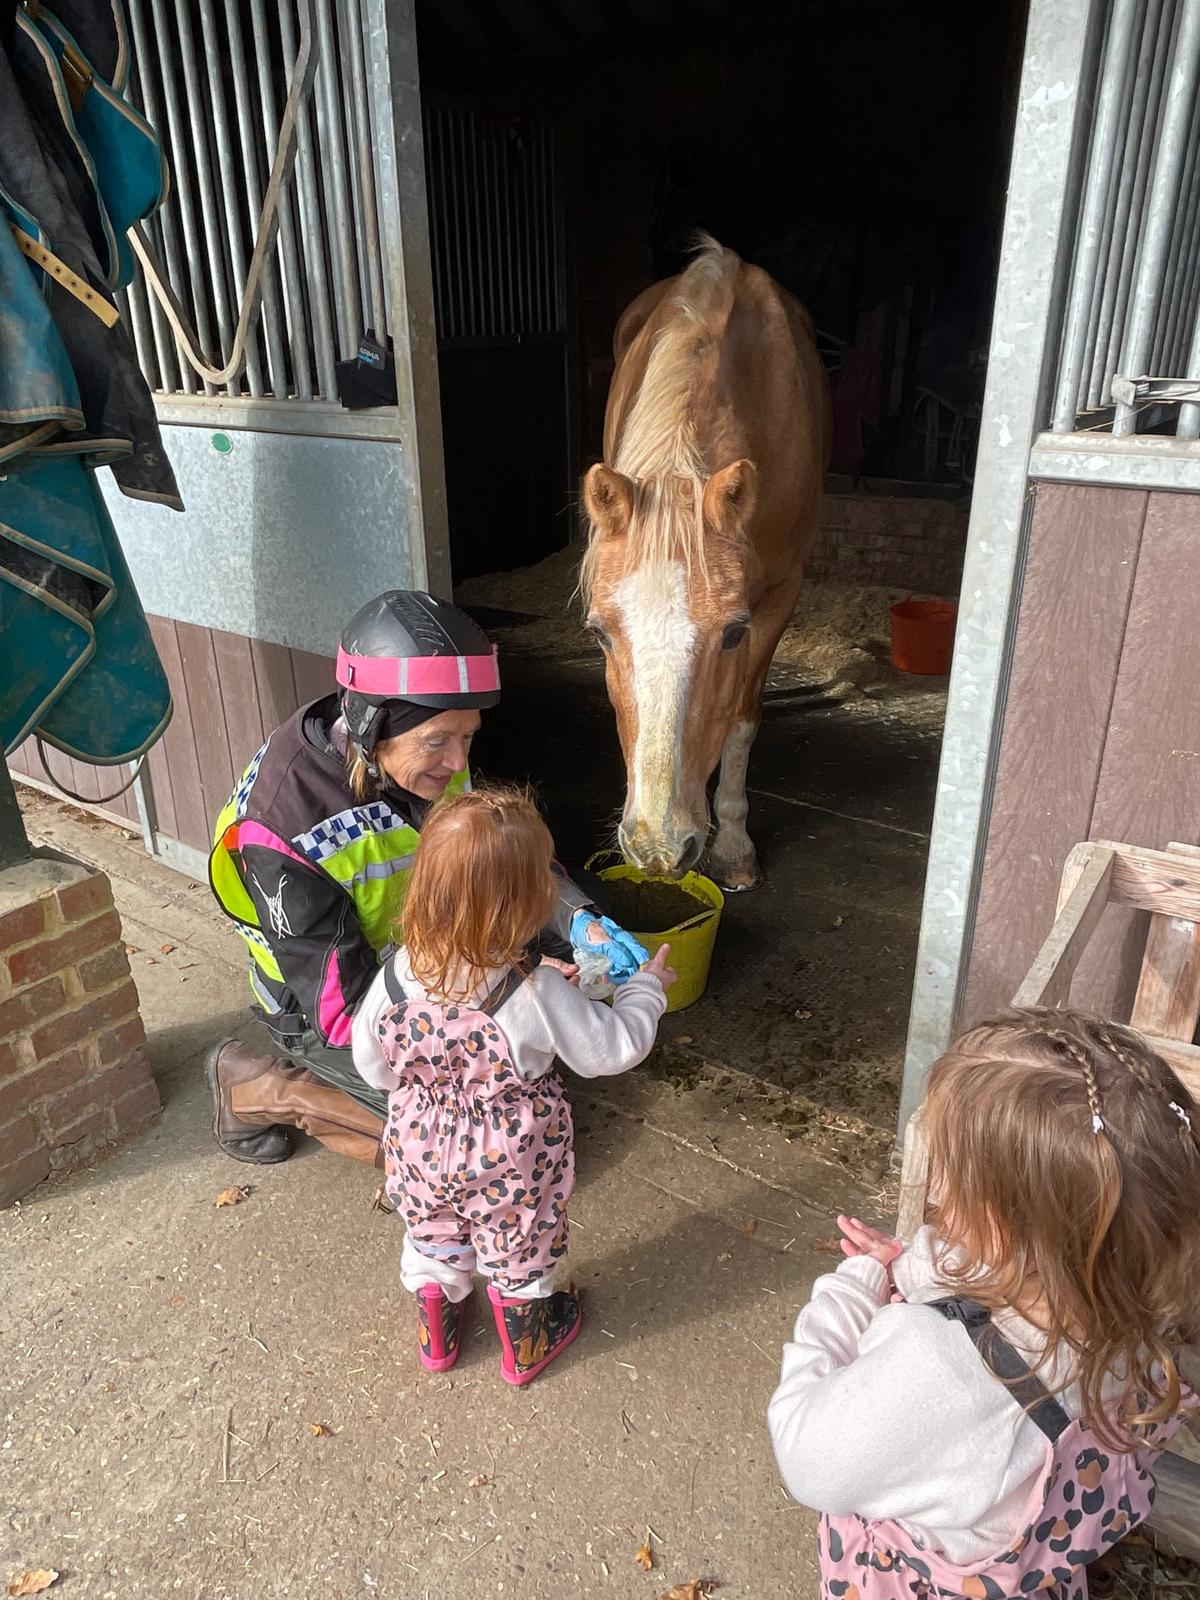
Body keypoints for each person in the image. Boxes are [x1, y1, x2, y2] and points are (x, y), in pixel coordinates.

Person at [206, 591, 648, 1168]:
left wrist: (576, 917)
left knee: (512, 1099)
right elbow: (345, 1017)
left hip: (419, 958)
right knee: (461, 1153)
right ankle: (257, 1088)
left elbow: (498, 854)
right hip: (317, 1003)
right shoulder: (285, 827)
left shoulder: (416, 754)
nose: (456, 761)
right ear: (372, 723)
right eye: (437, 742)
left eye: (468, 736)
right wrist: (493, 997)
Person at [768, 1007, 1200, 1598]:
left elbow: (807, 1459)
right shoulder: (1134, 1304)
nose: (936, 1190)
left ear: (996, 1228)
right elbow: (972, 1277)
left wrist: (853, 1283)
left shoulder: (935, 1366)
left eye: (942, 1164)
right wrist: (909, 1266)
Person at [350, 784, 675, 1383]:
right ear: (524, 904)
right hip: (512, 1158)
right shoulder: (534, 991)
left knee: (432, 1228)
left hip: (419, 1143)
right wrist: (645, 990)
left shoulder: (395, 975)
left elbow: (371, 1066)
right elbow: (613, 1048)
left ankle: (437, 1325)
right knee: (518, 1240)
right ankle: (527, 1342)